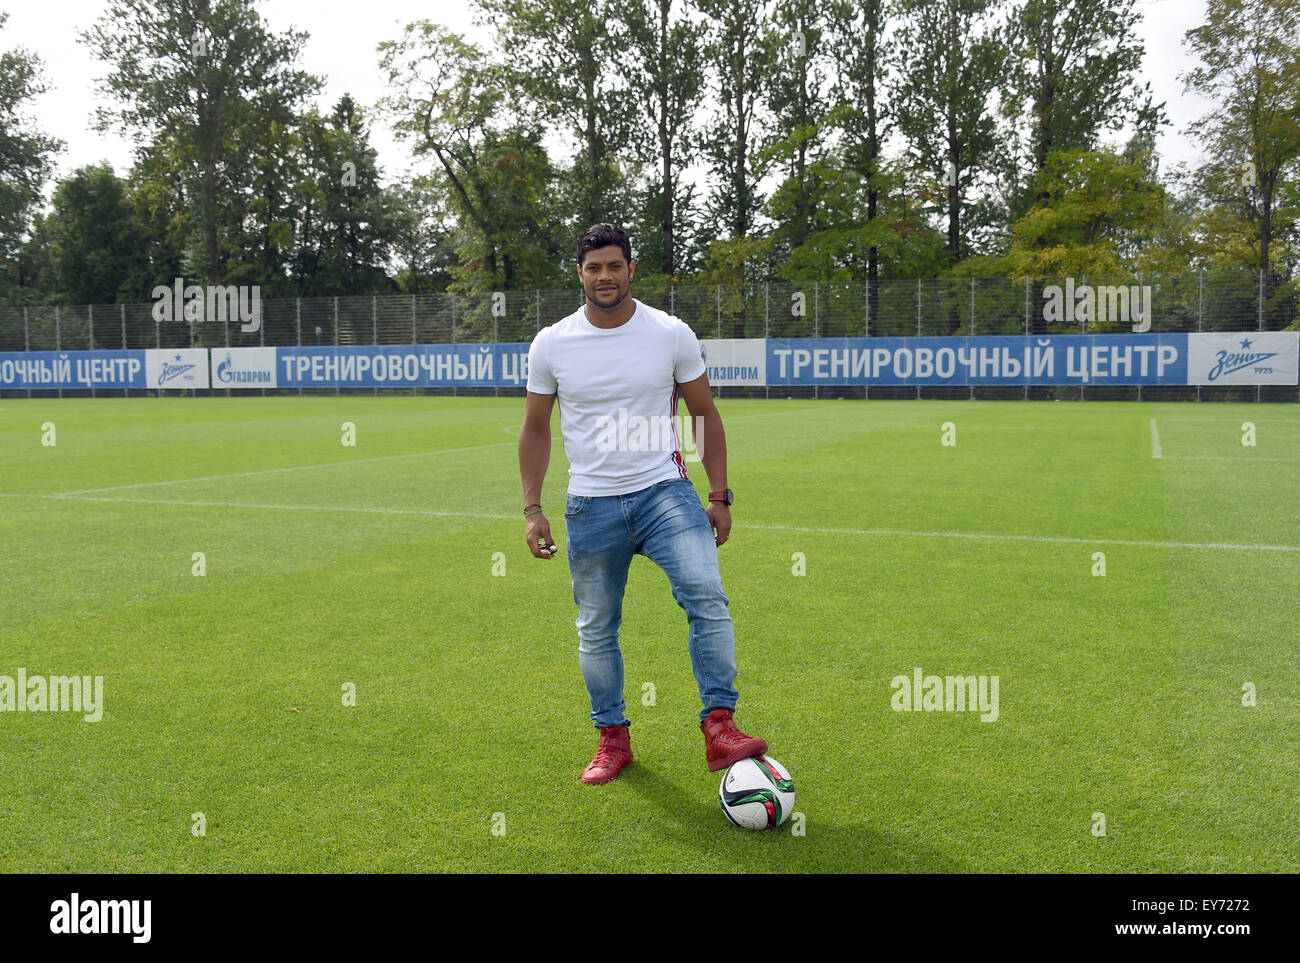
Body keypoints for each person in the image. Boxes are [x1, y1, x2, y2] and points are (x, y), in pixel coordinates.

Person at [518, 222, 768, 784]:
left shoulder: (670, 333)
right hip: (590, 504)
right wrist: (533, 509)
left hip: (665, 494)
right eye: (593, 267)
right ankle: (613, 738)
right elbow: (535, 428)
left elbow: (705, 414)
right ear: (579, 273)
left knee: (706, 593)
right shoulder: (552, 342)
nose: (604, 276)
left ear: (631, 268)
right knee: (597, 626)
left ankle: (720, 727)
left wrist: (720, 495)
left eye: (613, 265)